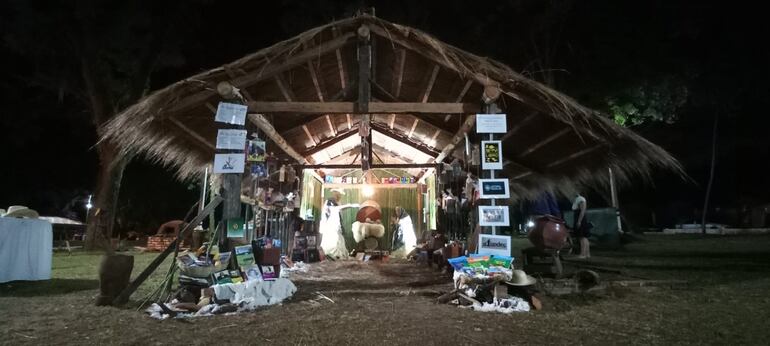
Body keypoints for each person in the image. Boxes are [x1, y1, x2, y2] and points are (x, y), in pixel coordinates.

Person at [319, 189, 358, 260]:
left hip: (336, 222)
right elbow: (334, 209)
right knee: (334, 238)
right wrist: (350, 205)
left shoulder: (338, 202)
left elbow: (339, 210)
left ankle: (339, 255)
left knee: (339, 239)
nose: (339, 196)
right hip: (331, 223)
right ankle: (331, 254)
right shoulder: (330, 201)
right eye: (338, 194)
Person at [572, 193, 591, 259]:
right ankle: (587, 254)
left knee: (582, 237)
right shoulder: (576, 199)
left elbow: (582, 211)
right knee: (584, 237)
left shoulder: (581, 199)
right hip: (578, 218)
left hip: (580, 219)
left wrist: (579, 221)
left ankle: (583, 254)